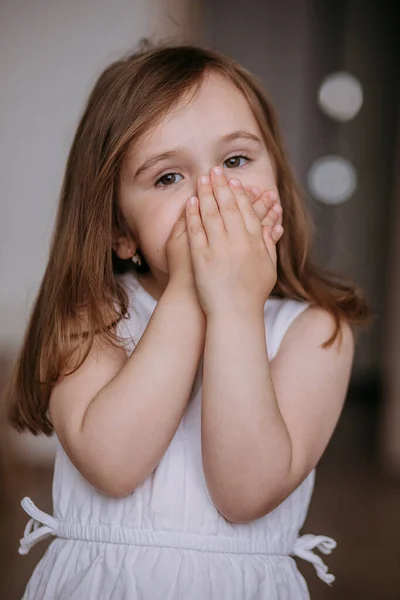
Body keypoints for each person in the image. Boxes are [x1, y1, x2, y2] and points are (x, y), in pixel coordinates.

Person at [5, 42, 370, 599]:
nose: (212, 195)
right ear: (118, 231)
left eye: (236, 160)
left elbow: (244, 493)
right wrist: (187, 292)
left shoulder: (315, 332)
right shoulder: (94, 314)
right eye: (169, 178)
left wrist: (234, 308)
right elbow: (113, 463)